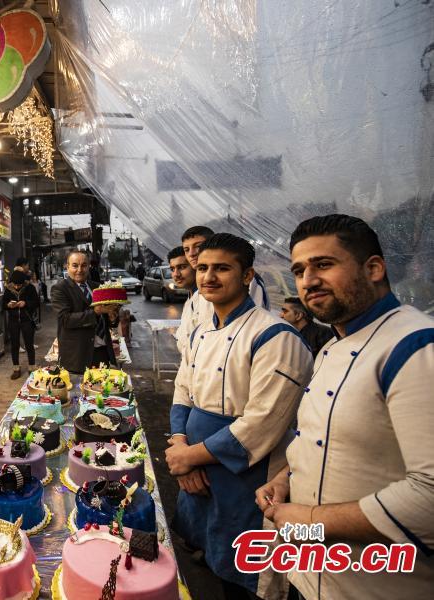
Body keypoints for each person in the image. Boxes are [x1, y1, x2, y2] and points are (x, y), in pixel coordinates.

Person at [257, 215, 434, 599]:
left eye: (323, 264)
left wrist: (309, 519)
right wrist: (287, 478)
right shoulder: (330, 348)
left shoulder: (415, 348)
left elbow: (430, 498)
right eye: (299, 271)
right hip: (312, 577)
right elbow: (325, 440)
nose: (308, 281)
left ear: (373, 269)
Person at [166, 233, 312, 599]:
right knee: (214, 559)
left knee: (247, 576)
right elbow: (183, 391)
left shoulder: (276, 336)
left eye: (222, 268)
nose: (208, 277)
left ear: (247, 275)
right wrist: (180, 447)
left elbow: (262, 423)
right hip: (199, 469)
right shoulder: (201, 332)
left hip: (248, 478)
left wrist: (189, 456)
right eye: (203, 268)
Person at [177, 226, 271, 355]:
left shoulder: (247, 282)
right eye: (186, 249)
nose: (191, 253)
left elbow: (252, 325)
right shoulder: (199, 292)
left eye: (198, 246)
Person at [50, 250, 118, 374]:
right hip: (77, 356)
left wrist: (112, 317)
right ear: (67, 266)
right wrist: (95, 312)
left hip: (102, 352)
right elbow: (66, 319)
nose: (80, 270)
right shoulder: (60, 289)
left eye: (84, 265)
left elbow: (105, 319)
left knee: (102, 385)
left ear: (89, 267)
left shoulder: (98, 287)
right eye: (75, 265)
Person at [3, 270, 40, 379]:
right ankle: (16, 369)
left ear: (23, 283)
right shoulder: (8, 289)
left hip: (27, 320)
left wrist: (25, 303)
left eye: (19, 285)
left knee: (29, 344)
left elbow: (36, 302)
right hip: (13, 320)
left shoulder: (30, 288)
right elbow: (3, 304)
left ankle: (32, 367)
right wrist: (8, 305)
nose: (16, 287)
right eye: (15, 285)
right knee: (14, 345)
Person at [167, 245, 196, 356]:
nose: (176, 274)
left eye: (182, 267)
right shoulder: (191, 297)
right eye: (172, 269)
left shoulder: (206, 300)